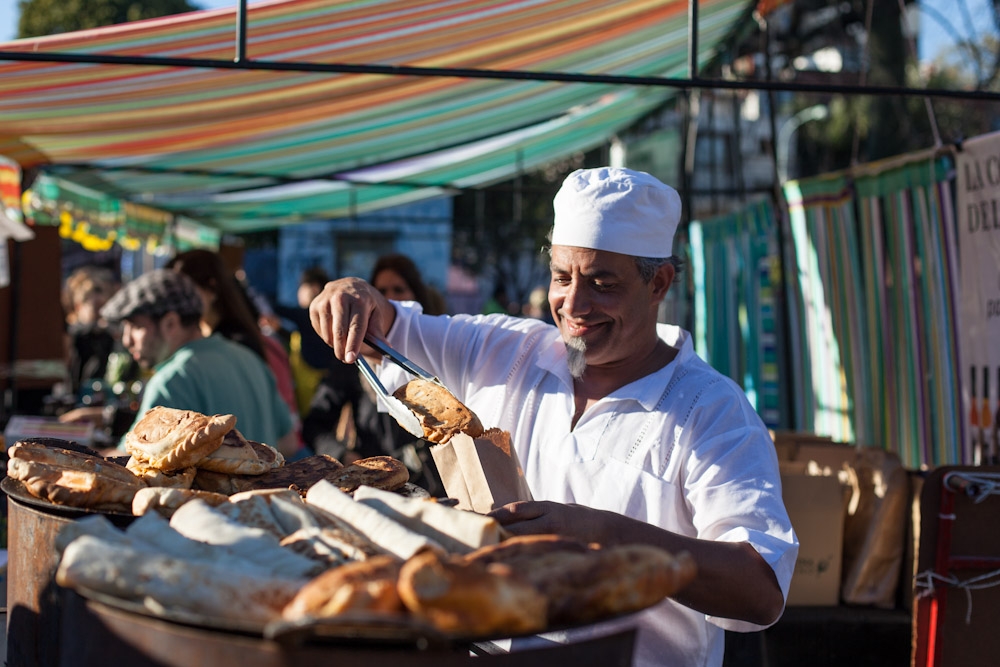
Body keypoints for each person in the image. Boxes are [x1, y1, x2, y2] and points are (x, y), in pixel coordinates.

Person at [307, 167, 797, 667]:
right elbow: (390, 326)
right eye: (562, 277)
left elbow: (759, 589)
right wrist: (354, 295)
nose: (574, 304)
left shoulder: (709, 411)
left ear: (659, 284)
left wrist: (603, 534)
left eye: (602, 283)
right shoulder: (510, 351)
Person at [97, 268, 297, 458]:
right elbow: (289, 443)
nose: (127, 340)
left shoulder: (173, 379)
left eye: (136, 327)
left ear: (170, 323)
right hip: (266, 493)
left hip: (207, 495)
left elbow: (128, 460)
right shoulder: (249, 358)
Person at [302, 253, 446, 494]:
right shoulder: (353, 360)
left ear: (415, 298)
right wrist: (344, 454)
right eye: (382, 290)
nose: (389, 299)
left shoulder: (436, 356)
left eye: (399, 289)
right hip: (372, 490)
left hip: (432, 490)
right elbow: (314, 424)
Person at [165, 249, 300, 435]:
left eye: (184, 291)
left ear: (211, 289)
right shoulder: (228, 341)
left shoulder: (228, 347)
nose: (175, 301)